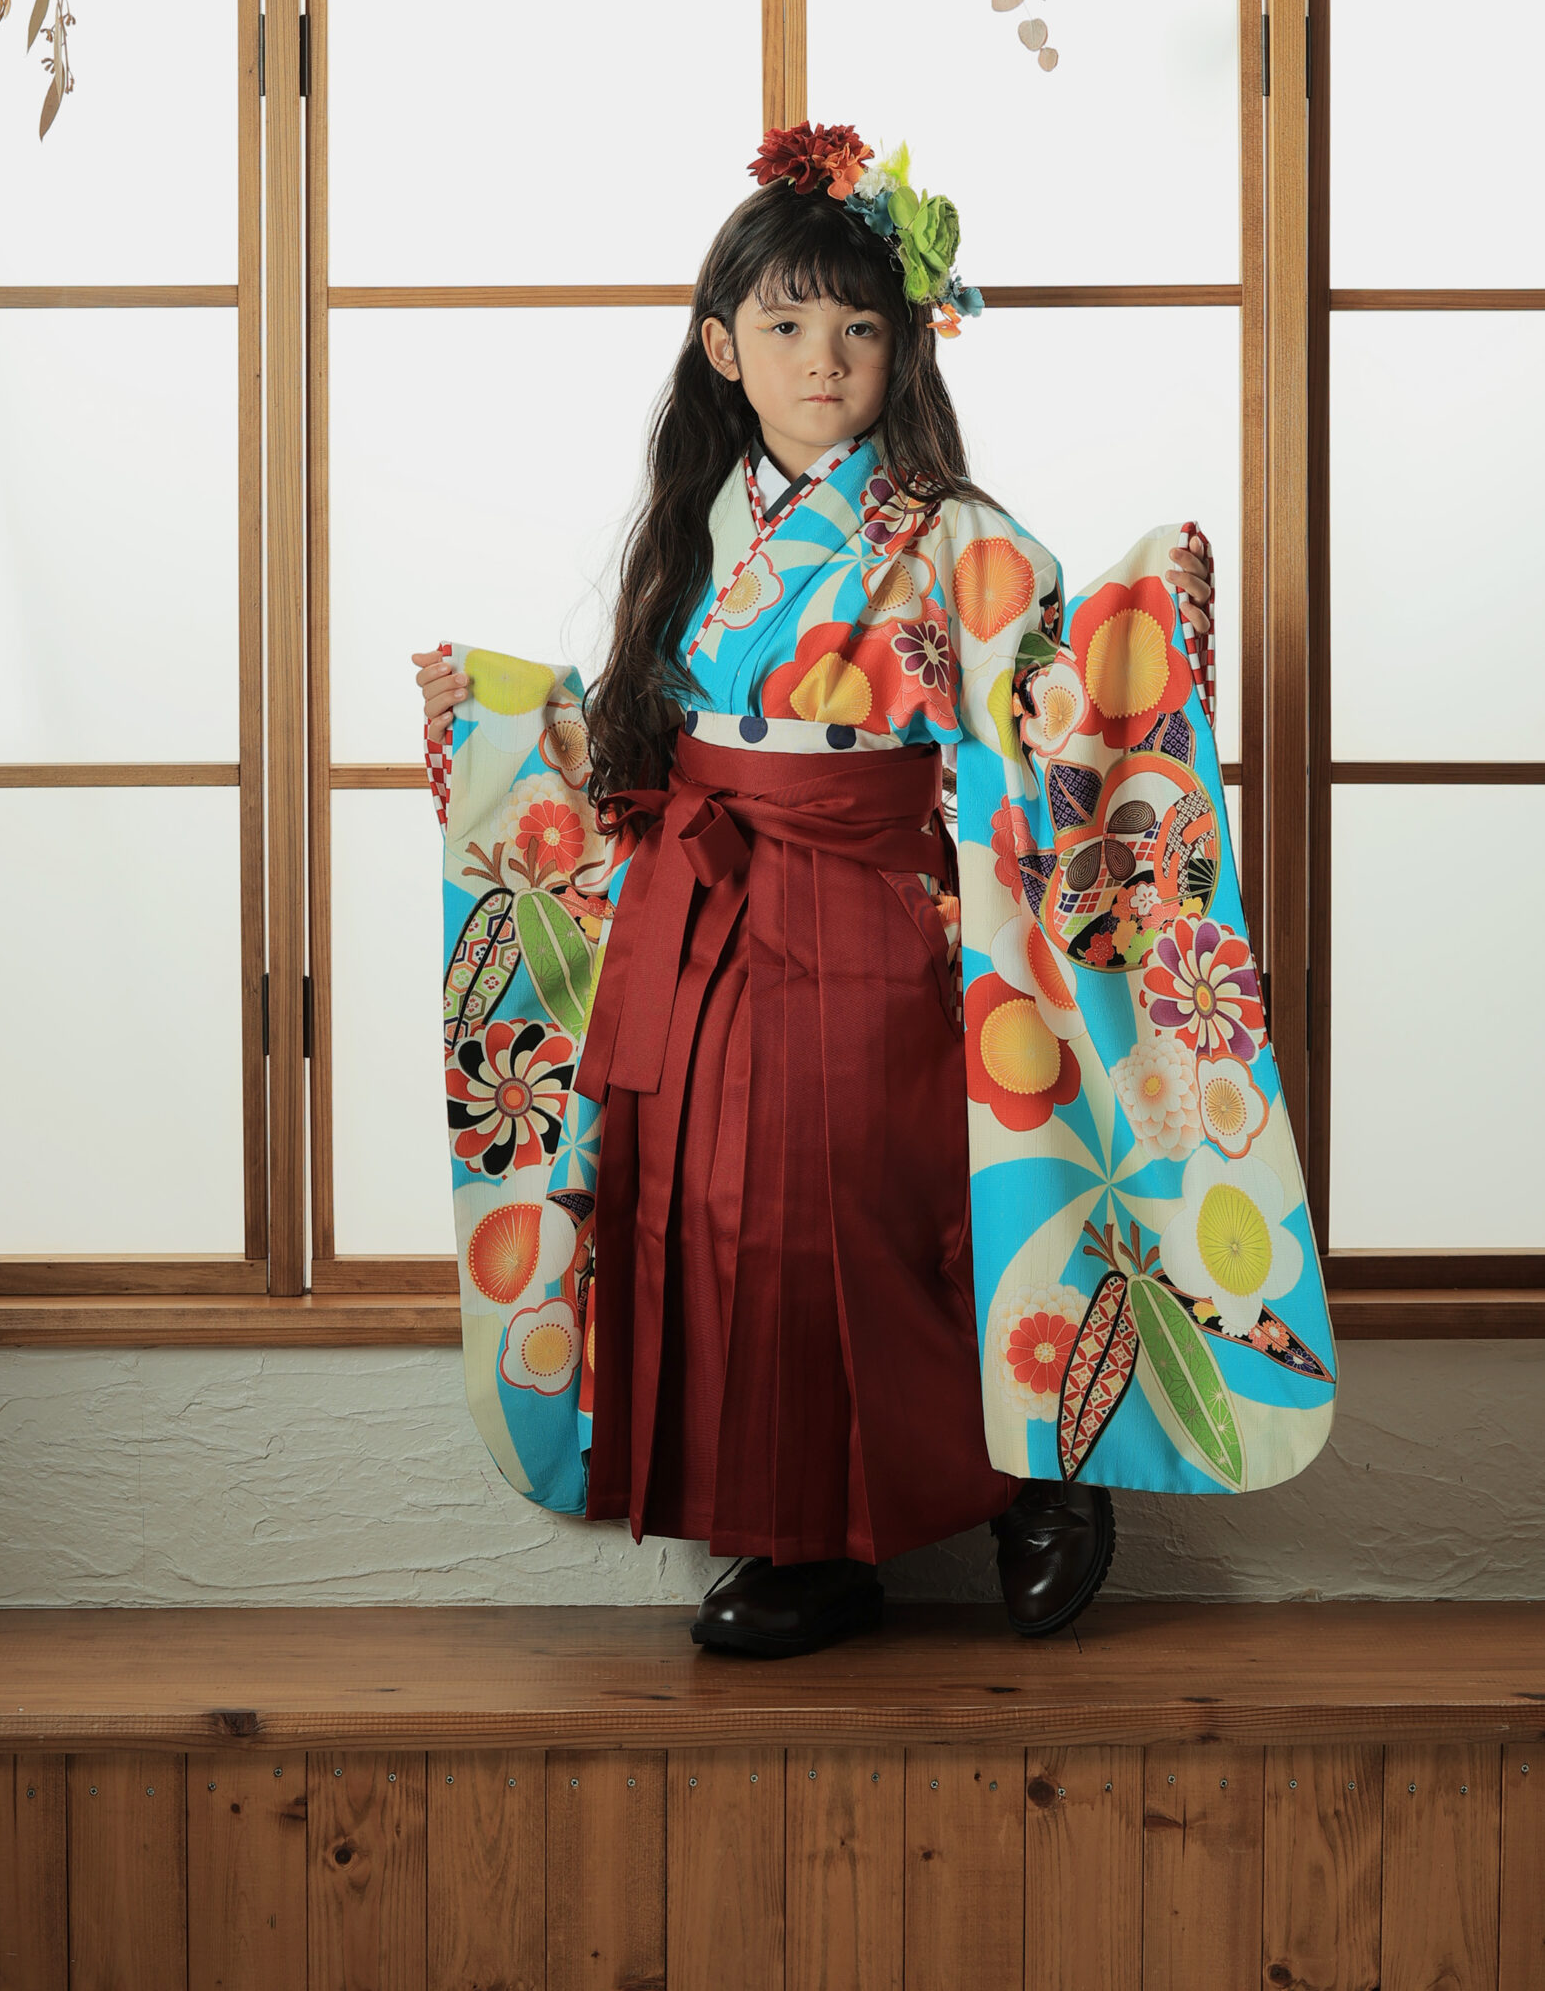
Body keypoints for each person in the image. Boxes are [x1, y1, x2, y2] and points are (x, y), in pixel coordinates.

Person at [416, 121, 1336, 1660]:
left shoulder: (948, 529)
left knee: (875, 1205)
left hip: (872, 909)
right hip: (702, 914)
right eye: (785, 326)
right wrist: (504, 726)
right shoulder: (699, 525)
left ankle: (1033, 1480)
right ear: (722, 348)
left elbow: (1050, 702)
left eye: (857, 327)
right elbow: (648, 737)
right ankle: (798, 1538)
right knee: (719, 1214)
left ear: (904, 344)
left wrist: (1146, 626)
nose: (823, 359)